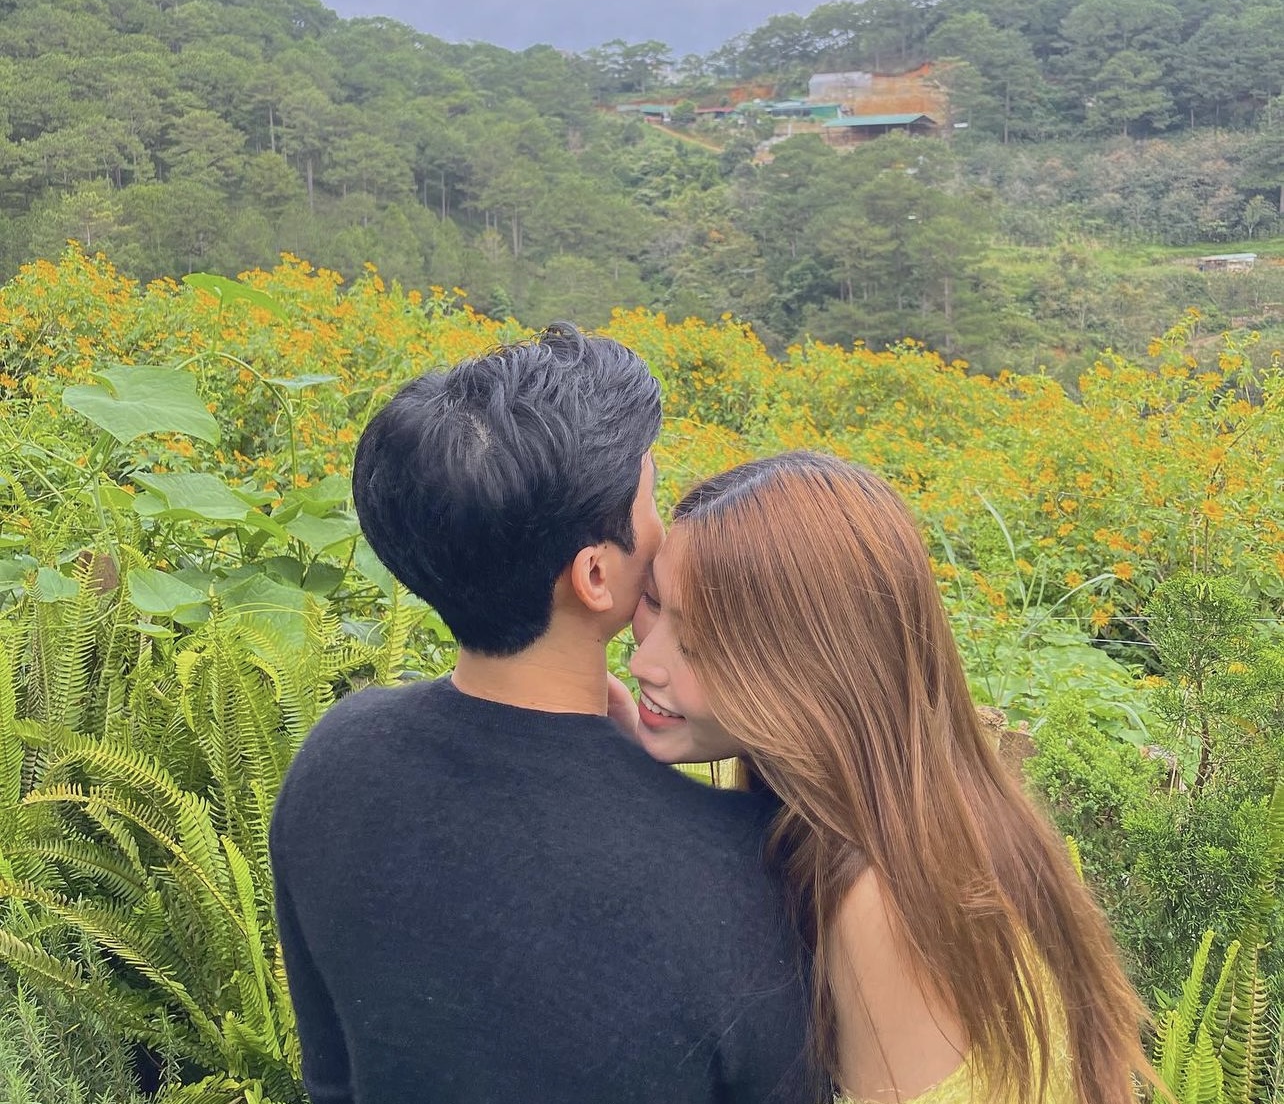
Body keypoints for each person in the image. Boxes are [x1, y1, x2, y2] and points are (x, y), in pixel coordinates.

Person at [269, 325, 820, 1104]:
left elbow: (333, 1079)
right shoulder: (745, 874)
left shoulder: (337, 759)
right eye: (650, 496)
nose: (662, 528)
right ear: (595, 574)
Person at [628, 451, 1155, 1104]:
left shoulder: (875, 899)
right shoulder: (944, 816)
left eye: (698, 644)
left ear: (808, 671)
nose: (644, 661)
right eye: (653, 602)